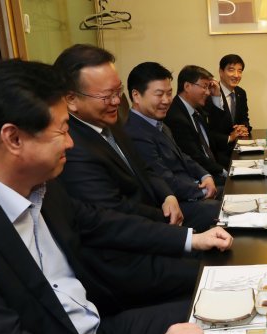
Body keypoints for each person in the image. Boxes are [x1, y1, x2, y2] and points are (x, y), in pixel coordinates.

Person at [0, 59, 224, 334]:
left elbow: (103, 222)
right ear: (13, 138)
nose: (71, 142)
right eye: (62, 130)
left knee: (223, 310)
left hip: (99, 332)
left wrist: (192, 239)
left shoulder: (42, 185)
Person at [53, 44, 185, 226]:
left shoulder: (110, 122)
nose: (117, 101)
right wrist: (177, 230)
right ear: (71, 100)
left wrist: (168, 195)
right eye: (107, 96)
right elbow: (115, 210)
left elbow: (144, 168)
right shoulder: (73, 148)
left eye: (118, 91)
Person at [125, 61, 221, 230]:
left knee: (235, 194)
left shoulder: (158, 122)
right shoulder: (135, 132)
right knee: (226, 210)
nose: (166, 100)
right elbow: (163, 178)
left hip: (191, 190)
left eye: (169, 93)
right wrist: (202, 192)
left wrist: (205, 176)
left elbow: (183, 156)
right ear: (136, 95)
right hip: (175, 204)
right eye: (159, 94)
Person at [164, 65, 233, 182]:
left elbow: (219, 129)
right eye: (204, 87)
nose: (207, 92)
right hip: (200, 176)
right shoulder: (176, 117)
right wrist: (223, 171)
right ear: (187, 86)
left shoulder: (196, 109)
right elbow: (194, 156)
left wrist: (216, 96)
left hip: (212, 167)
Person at [205, 54, 251, 140]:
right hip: (217, 148)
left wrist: (243, 127)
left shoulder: (241, 93)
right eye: (231, 70)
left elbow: (244, 118)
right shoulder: (210, 92)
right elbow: (210, 126)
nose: (236, 75)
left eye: (239, 71)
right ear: (221, 72)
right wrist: (229, 138)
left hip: (239, 144)